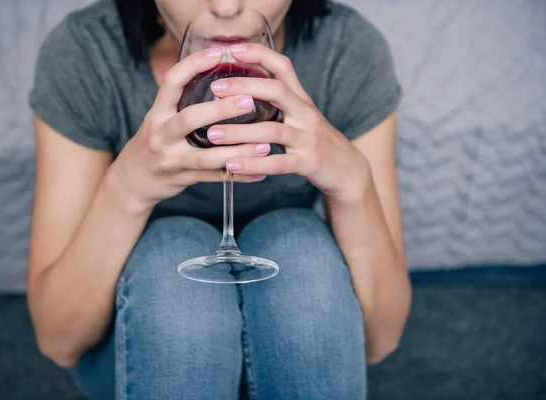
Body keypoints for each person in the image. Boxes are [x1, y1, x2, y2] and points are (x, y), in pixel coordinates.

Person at [27, 0, 412, 398]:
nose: (227, 6)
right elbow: (59, 340)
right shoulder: (86, 52)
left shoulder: (345, 49)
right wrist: (125, 190)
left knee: (298, 243)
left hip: (298, 354)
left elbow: (381, 338)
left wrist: (353, 186)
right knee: (173, 251)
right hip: (142, 353)